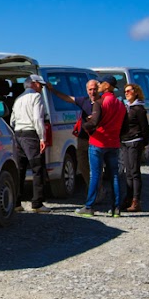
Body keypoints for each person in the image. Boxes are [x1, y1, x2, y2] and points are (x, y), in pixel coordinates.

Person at [75, 75, 126, 217]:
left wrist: (84, 126)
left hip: (98, 142)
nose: (98, 86)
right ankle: (116, 208)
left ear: (107, 86)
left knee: (96, 175)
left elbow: (93, 123)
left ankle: (89, 206)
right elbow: (124, 125)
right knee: (114, 175)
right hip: (114, 143)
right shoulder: (120, 104)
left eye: (101, 83)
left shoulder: (100, 102)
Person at [46, 79, 99, 192]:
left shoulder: (102, 102)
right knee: (82, 163)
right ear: (87, 90)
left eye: (95, 89)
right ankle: (91, 187)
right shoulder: (84, 101)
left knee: (96, 166)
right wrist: (53, 90)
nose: (92, 92)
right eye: (90, 89)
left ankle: (98, 190)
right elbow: (68, 98)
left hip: (98, 139)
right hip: (83, 138)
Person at [9, 74, 51, 213]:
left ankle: (16, 202)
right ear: (33, 83)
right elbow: (38, 118)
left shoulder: (18, 98)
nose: (41, 88)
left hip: (18, 133)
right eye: (40, 85)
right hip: (31, 134)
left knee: (20, 169)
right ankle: (37, 203)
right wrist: (42, 138)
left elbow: (12, 120)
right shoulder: (36, 97)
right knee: (37, 168)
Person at [120, 83, 149, 212]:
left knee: (134, 172)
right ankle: (128, 198)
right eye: (125, 91)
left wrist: (143, 144)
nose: (126, 93)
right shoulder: (127, 107)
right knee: (128, 172)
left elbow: (145, 128)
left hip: (135, 141)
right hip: (125, 142)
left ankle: (136, 200)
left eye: (129, 91)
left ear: (136, 92)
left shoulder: (139, 109)